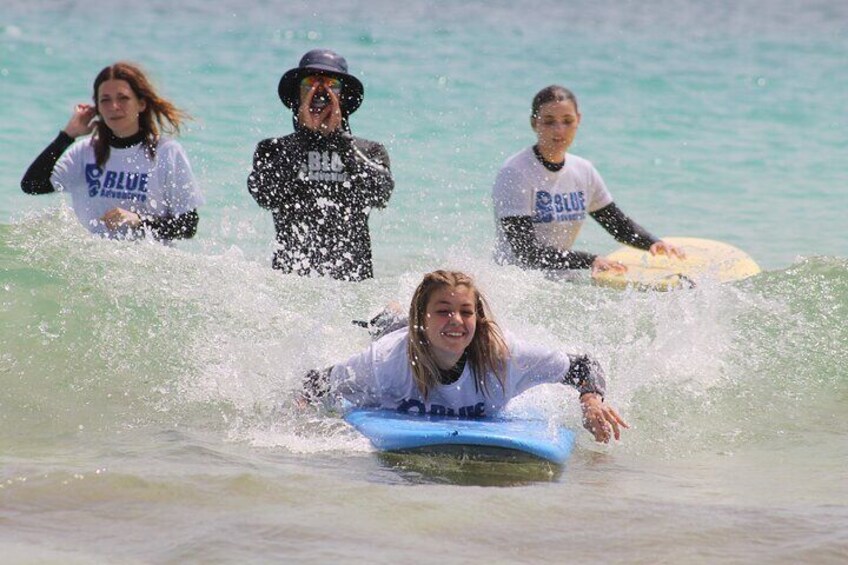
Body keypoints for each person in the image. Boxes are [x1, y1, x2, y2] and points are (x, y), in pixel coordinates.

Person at [303, 270, 628, 443]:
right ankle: (393, 315)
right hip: (408, 336)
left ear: (478, 318)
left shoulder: (506, 356)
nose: (457, 320)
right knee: (391, 328)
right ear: (424, 317)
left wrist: (591, 402)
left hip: (421, 332)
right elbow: (315, 383)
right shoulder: (385, 361)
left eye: (466, 312)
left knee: (430, 331)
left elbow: (584, 364)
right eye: (444, 311)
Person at [492, 85, 684, 275]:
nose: (559, 130)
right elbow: (526, 252)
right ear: (534, 123)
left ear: (579, 120)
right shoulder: (515, 172)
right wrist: (590, 260)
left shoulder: (583, 171)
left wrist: (653, 242)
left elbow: (618, 226)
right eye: (549, 121)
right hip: (516, 285)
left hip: (561, 279)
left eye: (567, 121)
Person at [247, 49, 394, 282]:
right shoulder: (272, 149)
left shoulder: (370, 152)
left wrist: (341, 142)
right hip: (289, 281)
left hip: (353, 285)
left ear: (343, 98)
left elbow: (380, 194)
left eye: (330, 85)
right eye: (311, 83)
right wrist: (303, 139)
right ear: (297, 96)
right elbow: (265, 195)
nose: (320, 94)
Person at [20, 61, 203, 241]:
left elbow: (188, 226)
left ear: (141, 103)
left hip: (146, 265)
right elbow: (32, 185)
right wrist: (68, 135)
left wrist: (139, 221)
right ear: (97, 108)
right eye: (105, 100)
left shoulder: (166, 152)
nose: (114, 106)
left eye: (123, 98)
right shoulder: (84, 152)